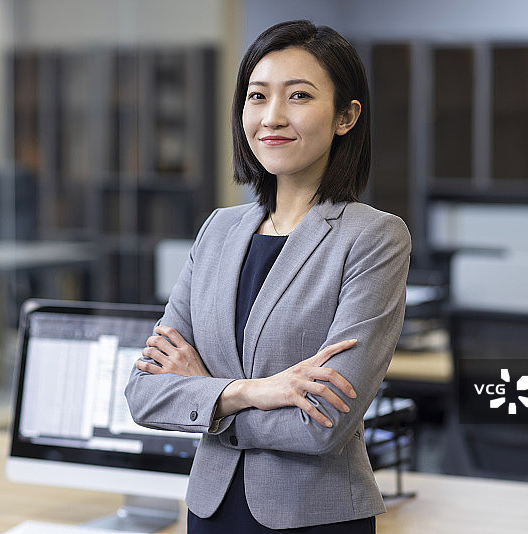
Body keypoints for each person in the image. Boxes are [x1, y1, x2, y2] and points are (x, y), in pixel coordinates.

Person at [125, 19, 411, 533]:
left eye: (299, 96)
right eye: (257, 96)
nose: (272, 117)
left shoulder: (371, 239)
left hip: (311, 519)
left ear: (346, 116)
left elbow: (322, 425)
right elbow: (144, 394)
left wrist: (207, 395)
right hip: (210, 513)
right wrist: (252, 392)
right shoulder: (218, 230)